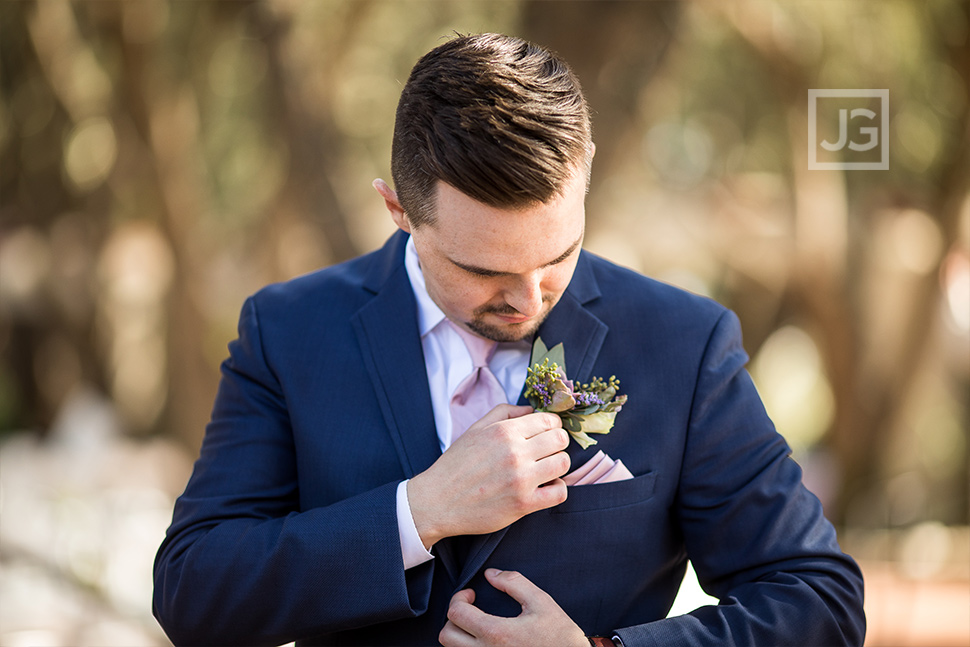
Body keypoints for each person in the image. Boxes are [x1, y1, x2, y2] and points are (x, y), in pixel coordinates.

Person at [153, 33, 865, 647]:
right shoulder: (288, 331)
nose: (530, 298)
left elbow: (819, 600)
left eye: (559, 255)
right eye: (484, 270)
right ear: (398, 209)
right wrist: (420, 511)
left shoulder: (685, 341)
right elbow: (195, 590)